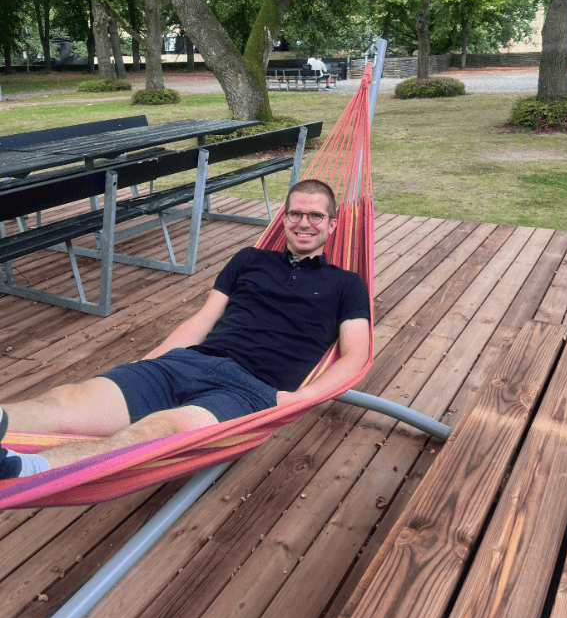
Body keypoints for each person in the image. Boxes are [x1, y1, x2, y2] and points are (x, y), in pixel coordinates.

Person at [0, 180, 370, 480]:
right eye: (296, 214)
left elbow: (356, 354)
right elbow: (202, 320)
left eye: (316, 216)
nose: (305, 222)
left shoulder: (347, 284)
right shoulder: (249, 259)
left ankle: (25, 472)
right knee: (65, 398)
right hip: (187, 363)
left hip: (251, 390)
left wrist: (304, 397)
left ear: (332, 224)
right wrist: (152, 360)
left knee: (156, 431)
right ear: (283, 220)